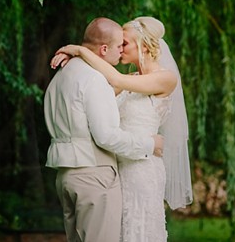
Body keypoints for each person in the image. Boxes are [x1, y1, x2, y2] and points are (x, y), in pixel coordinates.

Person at [51, 16, 193, 242]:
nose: (120, 48)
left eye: (125, 43)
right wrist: (81, 59)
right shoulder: (128, 78)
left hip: (142, 169)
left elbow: (113, 77)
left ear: (144, 46)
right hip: (115, 169)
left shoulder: (166, 79)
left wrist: (79, 50)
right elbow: (94, 91)